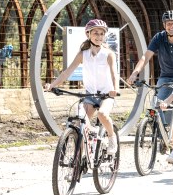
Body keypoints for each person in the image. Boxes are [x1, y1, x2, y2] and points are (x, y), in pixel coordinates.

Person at [44, 19, 119, 155]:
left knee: (102, 114)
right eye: (95, 33)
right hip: (89, 95)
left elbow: (114, 73)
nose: (99, 36)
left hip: (106, 95)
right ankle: (82, 157)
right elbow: (67, 72)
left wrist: (115, 89)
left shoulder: (108, 54)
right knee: (80, 122)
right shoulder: (83, 54)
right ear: (88, 34)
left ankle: (112, 137)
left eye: (102, 34)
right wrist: (52, 85)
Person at [128, 10, 173, 111]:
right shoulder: (159, 37)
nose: (171, 26)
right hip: (165, 77)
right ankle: (159, 126)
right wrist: (134, 73)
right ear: (164, 25)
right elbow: (145, 57)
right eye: (168, 24)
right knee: (158, 106)